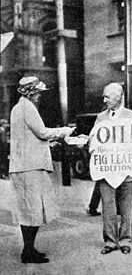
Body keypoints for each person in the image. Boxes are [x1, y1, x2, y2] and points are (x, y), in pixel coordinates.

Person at [9, 76, 75, 264]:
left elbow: (29, 137)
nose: (39, 96)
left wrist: (48, 143)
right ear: (30, 92)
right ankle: (28, 251)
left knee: (28, 209)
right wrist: (65, 131)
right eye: (37, 92)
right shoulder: (28, 108)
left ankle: (28, 249)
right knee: (35, 209)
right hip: (30, 167)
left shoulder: (17, 108)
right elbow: (42, 132)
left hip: (22, 166)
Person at [89, 83, 132, 254]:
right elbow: (94, 141)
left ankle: (125, 240)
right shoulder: (100, 117)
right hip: (107, 169)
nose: (104, 100)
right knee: (108, 205)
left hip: (127, 167)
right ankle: (110, 241)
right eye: (104, 96)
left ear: (119, 97)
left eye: (108, 96)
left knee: (127, 205)